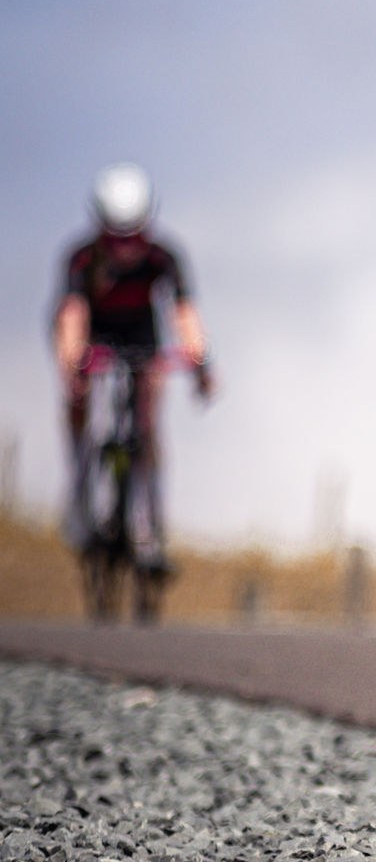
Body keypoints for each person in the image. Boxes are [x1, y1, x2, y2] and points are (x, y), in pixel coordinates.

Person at [52, 164, 211, 571]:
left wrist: (200, 363)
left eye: (134, 236)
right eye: (115, 238)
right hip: (95, 333)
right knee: (79, 395)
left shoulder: (164, 256)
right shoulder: (81, 258)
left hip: (141, 333)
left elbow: (184, 313)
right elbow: (71, 316)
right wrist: (73, 367)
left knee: (149, 409)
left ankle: (150, 520)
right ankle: (80, 484)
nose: (125, 249)